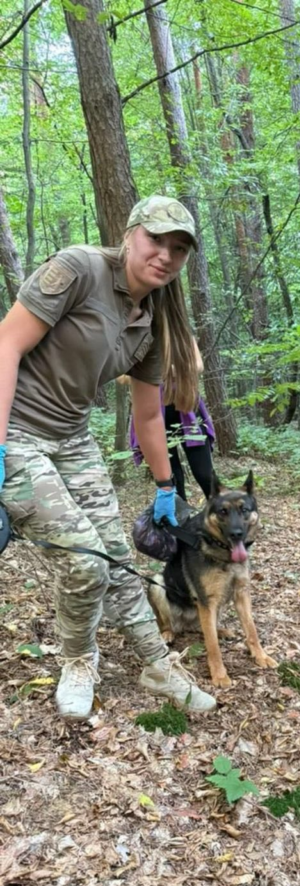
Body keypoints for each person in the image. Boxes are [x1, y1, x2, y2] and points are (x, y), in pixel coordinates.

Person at [0, 195, 218, 720]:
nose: (165, 255)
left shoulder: (156, 321)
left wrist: (165, 486)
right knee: (83, 563)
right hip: (17, 431)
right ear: (129, 234)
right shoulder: (79, 269)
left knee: (117, 557)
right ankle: (79, 660)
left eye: (179, 248)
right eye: (155, 239)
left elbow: (148, 416)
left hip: (73, 438)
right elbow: (6, 345)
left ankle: (157, 664)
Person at [126, 340, 216, 501]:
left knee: (205, 474)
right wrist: (161, 372)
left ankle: (222, 514)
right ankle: (180, 515)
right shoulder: (136, 339)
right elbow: (122, 377)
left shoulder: (182, 336)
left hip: (187, 407)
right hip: (153, 412)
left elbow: (197, 366)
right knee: (171, 477)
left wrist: (154, 371)